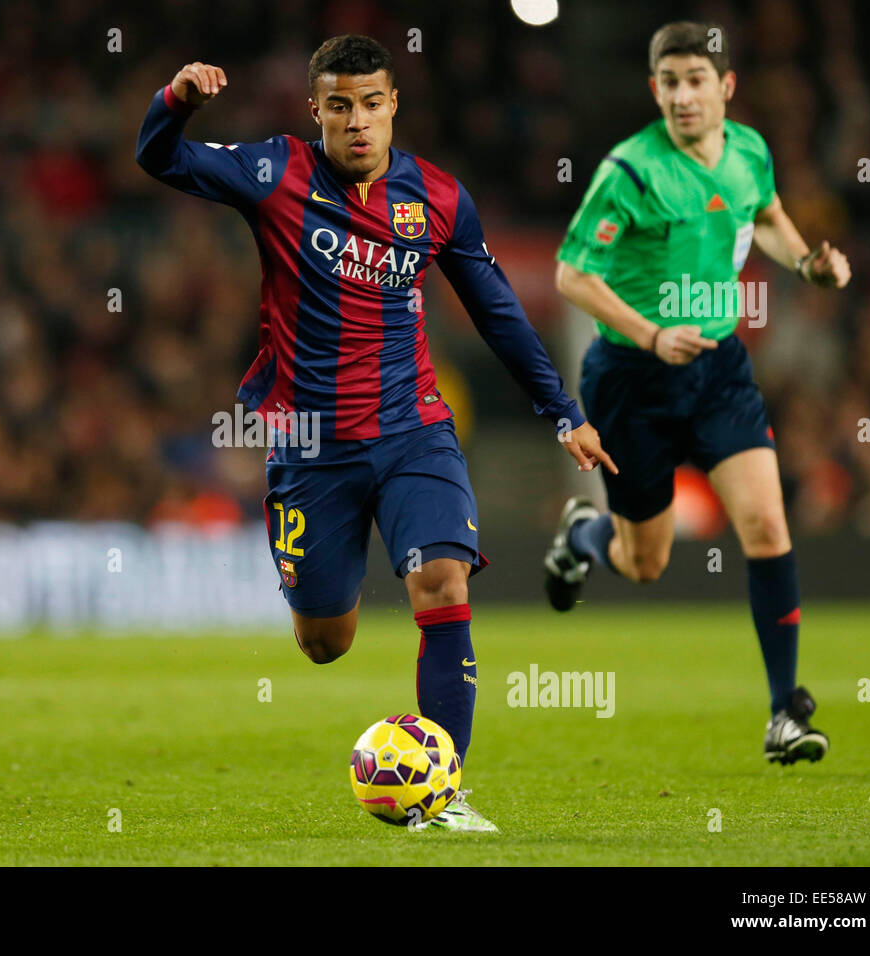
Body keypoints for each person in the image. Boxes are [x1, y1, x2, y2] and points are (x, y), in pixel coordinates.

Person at [137, 34, 615, 830]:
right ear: (314, 110)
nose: (357, 121)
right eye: (339, 106)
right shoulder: (274, 173)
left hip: (412, 433)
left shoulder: (436, 198)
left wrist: (561, 410)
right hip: (311, 448)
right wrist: (176, 101)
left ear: (393, 105)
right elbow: (159, 158)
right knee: (325, 641)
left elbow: (496, 309)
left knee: (442, 586)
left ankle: (445, 789)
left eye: (371, 103)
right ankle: (333, 617)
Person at [545, 21, 850, 765]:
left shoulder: (748, 151)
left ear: (725, 87)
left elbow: (766, 216)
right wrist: (650, 336)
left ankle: (784, 712)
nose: (683, 96)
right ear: (655, 90)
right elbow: (571, 275)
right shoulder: (632, 170)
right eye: (670, 83)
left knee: (767, 528)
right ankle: (582, 538)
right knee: (644, 562)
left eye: (696, 80)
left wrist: (806, 261)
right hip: (631, 381)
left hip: (717, 371)